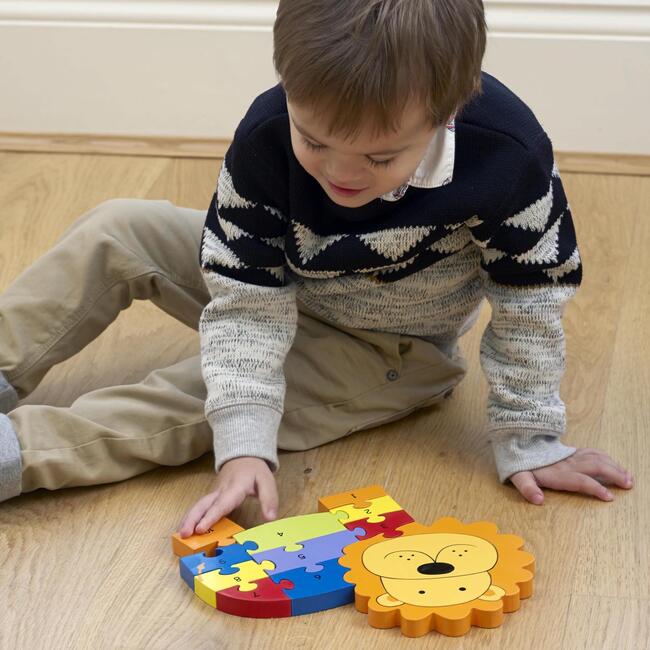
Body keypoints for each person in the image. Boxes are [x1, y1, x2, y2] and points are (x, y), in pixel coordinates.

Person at [0, 0, 633, 536]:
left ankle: (18, 453)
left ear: (447, 112)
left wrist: (529, 437)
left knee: (189, 392)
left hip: (389, 351)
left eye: (380, 157)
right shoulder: (267, 133)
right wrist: (247, 415)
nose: (341, 174)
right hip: (286, 281)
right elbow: (245, 298)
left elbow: (531, 301)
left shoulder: (508, 154)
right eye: (315, 141)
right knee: (119, 226)